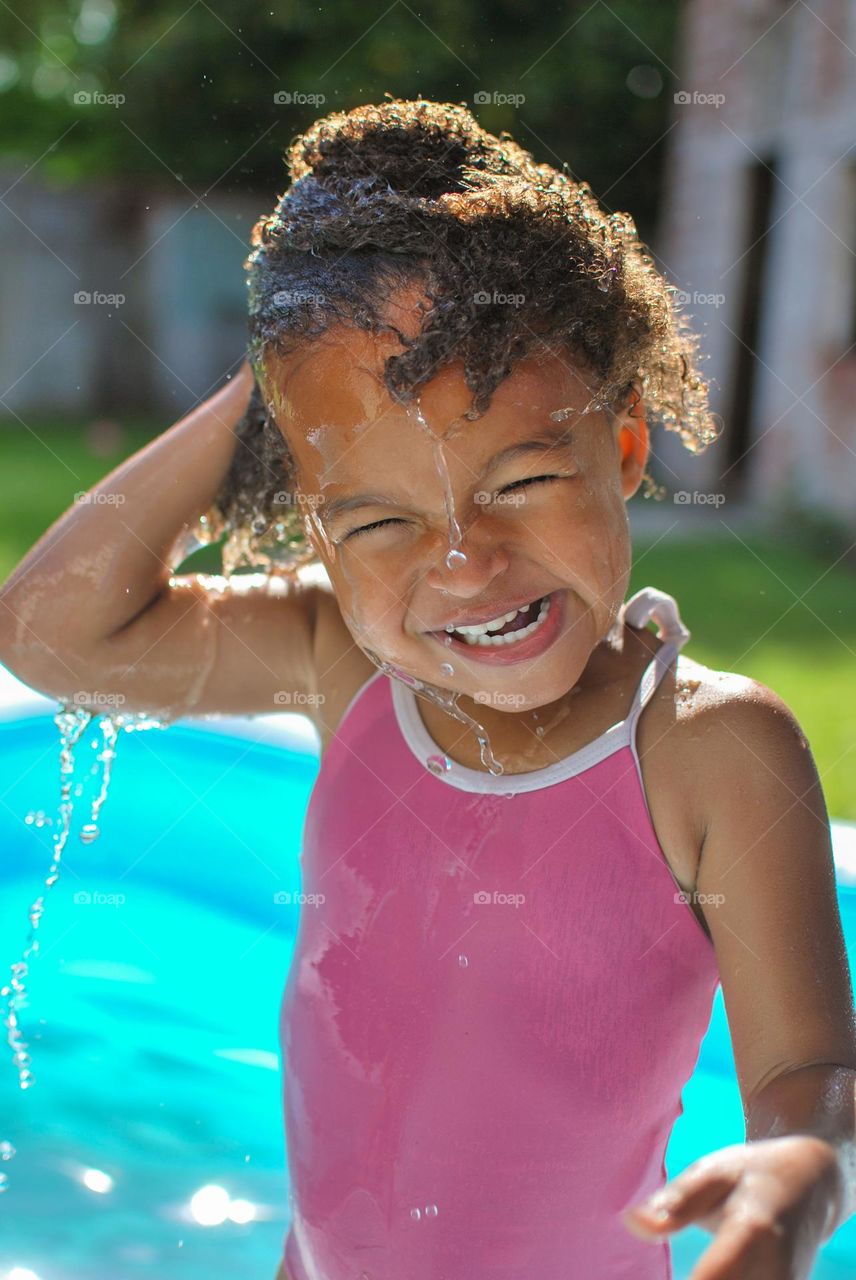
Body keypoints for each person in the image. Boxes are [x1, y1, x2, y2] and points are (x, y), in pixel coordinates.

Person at [2, 99, 854, 1280]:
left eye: (524, 478)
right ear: (317, 528)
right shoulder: (343, 660)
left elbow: (807, 1067)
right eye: (381, 518)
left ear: (620, 447)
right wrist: (279, 387)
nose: (462, 562)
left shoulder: (704, 749)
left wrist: (797, 1174)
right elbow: (51, 633)